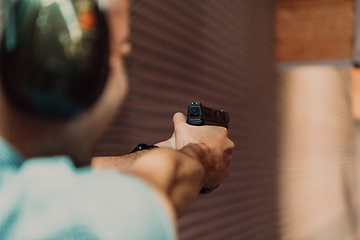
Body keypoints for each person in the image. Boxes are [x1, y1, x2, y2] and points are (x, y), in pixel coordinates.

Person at [0, 0, 234, 239]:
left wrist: (167, 149)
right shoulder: (80, 226)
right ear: (69, 66)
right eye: (120, 52)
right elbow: (156, 189)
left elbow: (60, 177)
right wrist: (204, 157)